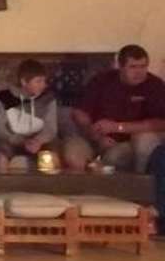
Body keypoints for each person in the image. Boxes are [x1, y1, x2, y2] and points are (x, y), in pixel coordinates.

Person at [63, 44, 165, 172]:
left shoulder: (155, 85)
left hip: (127, 142)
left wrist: (117, 127)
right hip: (93, 137)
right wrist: (91, 132)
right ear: (120, 66)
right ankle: (85, 184)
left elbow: (161, 123)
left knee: (114, 157)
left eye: (143, 66)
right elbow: (79, 112)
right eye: (133, 67)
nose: (139, 72)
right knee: (73, 154)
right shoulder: (101, 80)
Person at [0, 59, 58, 169]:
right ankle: (2, 179)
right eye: (38, 81)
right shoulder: (4, 97)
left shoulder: (48, 98)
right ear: (24, 82)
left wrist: (38, 141)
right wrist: (22, 141)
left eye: (44, 81)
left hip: (37, 142)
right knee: (1, 154)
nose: (43, 85)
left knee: (52, 156)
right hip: (9, 141)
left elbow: (50, 127)